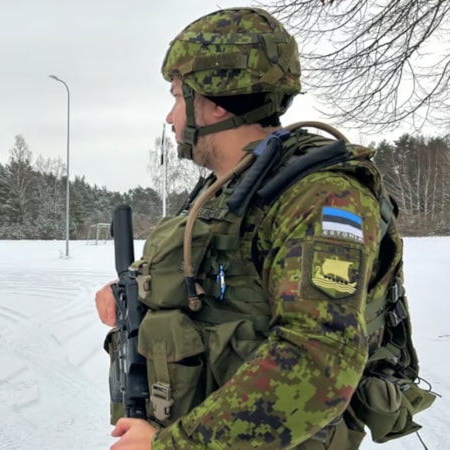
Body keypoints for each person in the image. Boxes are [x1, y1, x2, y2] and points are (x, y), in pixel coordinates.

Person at [96, 7, 434, 450]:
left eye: (178, 96)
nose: (171, 117)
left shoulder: (320, 195)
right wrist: (133, 290)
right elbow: (222, 283)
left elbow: (318, 362)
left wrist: (170, 447)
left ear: (214, 100)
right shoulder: (229, 190)